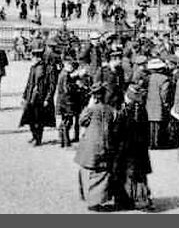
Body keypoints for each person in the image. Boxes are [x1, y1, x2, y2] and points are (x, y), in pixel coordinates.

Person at [75, 82, 119, 211]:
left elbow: (82, 121)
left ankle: (90, 200)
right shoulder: (111, 110)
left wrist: (88, 107)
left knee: (88, 171)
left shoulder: (90, 110)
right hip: (105, 145)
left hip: (90, 147)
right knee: (102, 174)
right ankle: (97, 200)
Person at [116, 85, 153, 210]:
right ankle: (141, 199)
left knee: (128, 174)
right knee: (138, 174)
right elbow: (147, 130)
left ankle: (128, 200)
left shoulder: (123, 108)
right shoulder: (141, 108)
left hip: (127, 147)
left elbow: (117, 130)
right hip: (139, 147)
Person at [19, 44, 56, 146]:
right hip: (31, 97)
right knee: (29, 118)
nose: (32, 59)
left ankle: (38, 139)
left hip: (41, 98)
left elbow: (52, 86)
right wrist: (24, 96)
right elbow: (29, 83)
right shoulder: (33, 68)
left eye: (34, 57)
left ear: (39, 58)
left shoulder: (49, 69)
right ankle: (34, 135)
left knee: (39, 120)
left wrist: (47, 99)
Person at [145, 58, 172, 149]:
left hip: (149, 103)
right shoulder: (164, 79)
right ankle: (157, 143)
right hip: (159, 104)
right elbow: (164, 93)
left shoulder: (149, 78)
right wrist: (166, 103)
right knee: (159, 124)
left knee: (151, 124)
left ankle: (151, 143)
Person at [56, 57, 80, 148]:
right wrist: (76, 86)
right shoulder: (65, 75)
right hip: (67, 102)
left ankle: (63, 141)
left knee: (65, 121)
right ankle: (66, 142)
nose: (72, 68)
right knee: (68, 122)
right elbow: (67, 89)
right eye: (71, 65)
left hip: (63, 102)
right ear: (66, 65)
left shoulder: (63, 73)